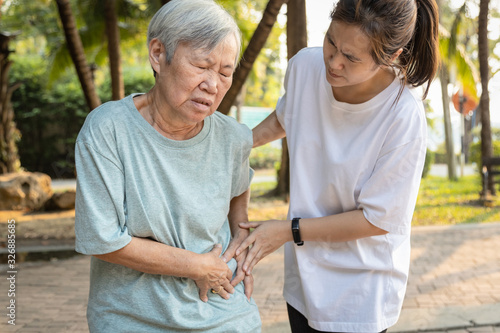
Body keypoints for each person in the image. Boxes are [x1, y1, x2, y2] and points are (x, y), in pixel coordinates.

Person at [235, 0, 439, 332]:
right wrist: (234, 143)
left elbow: (377, 219)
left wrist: (288, 231)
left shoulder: (403, 116)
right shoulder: (305, 66)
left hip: (361, 288)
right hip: (304, 276)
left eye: (352, 58)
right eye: (331, 41)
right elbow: (286, 118)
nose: (334, 62)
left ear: (392, 56)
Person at [74, 0, 261, 332]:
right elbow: (102, 239)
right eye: (202, 65)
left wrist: (239, 256)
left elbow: (238, 202)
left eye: (225, 72)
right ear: (158, 54)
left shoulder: (234, 138)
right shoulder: (109, 129)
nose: (213, 84)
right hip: (132, 316)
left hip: (223, 309)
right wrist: (196, 266)